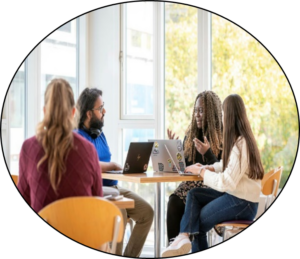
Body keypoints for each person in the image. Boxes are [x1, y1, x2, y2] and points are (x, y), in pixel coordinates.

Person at [161, 94, 264, 256]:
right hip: (239, 197)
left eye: (223, 114)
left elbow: (226, 182)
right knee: (193, 195)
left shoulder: (239, 144)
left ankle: (183, 236)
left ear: (229, 115)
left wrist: (202, 171)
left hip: (242, 202)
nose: (222, 118)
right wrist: (208, 167)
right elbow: (226, 165)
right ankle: (181, 237)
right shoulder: (241, 140)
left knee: (196, 222)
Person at [75, 87, 154, 257]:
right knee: (121, 212)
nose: (105, 111)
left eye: (104, 106)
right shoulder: (77, 137)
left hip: (114, 189)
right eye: (100, 108)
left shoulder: (99, 134)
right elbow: (89, 163)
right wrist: (112, 165)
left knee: (147, 212)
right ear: (89, 114)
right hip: (94, 193)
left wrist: (129, 167)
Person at [17, 78, 103, 214]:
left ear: (45, 111)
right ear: (73, 112)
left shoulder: (28, 149)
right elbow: (98, 204)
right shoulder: (89, 150)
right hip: (81, 234)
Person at [166, 90, 223, 243]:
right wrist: (175, 151)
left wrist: (209, 153)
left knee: (194, 208)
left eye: (202, 110)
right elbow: (185, 167)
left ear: (211, 113)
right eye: (196, 110)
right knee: (173, 202)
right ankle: (174, 249)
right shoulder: (191, 134)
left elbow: (223, 169)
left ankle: (183, 243)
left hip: (211, 186)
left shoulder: (223, 136)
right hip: (190, 185)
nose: (197, 114)